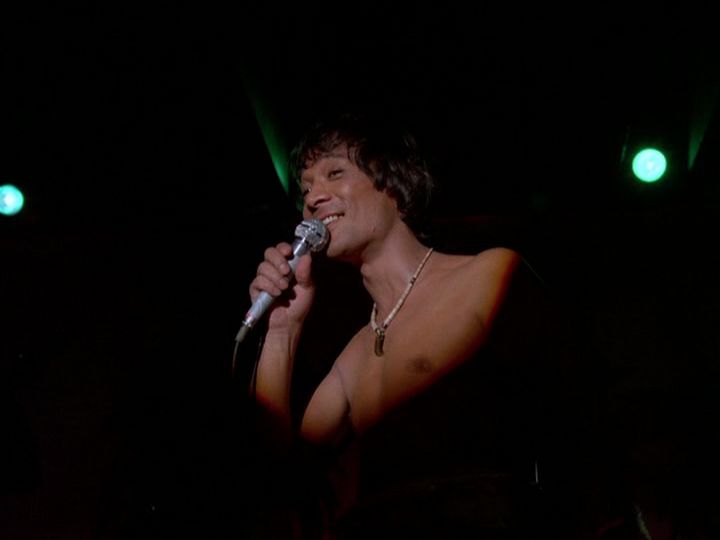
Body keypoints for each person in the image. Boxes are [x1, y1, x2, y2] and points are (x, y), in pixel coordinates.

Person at [241, 111, 585, 539]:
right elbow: (280, 478)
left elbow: (578, 414)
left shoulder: (489, 276)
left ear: (394, 184)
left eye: (334, 173)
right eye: (306, 187)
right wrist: (282, 332)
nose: (313, 198)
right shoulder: (352, 360)